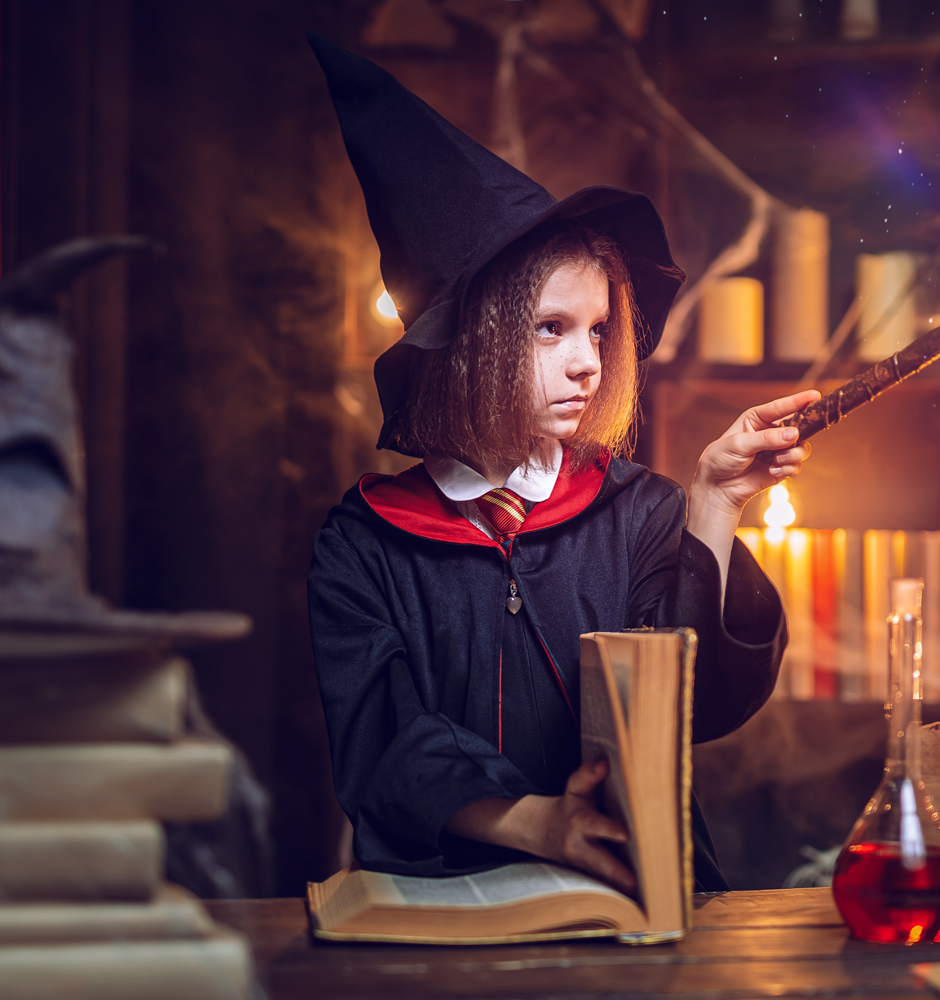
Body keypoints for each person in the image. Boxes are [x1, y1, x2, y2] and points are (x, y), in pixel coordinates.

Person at [305, 36, 816, 894]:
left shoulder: (642, 513)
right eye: (552, 328)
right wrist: (541, 822)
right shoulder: (364, 543)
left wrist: (715, 504)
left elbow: (694, 707)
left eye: (600, 329)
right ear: (470, 343)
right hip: (447, 897)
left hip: (633, 885)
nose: (589, 363)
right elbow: (383, 739)